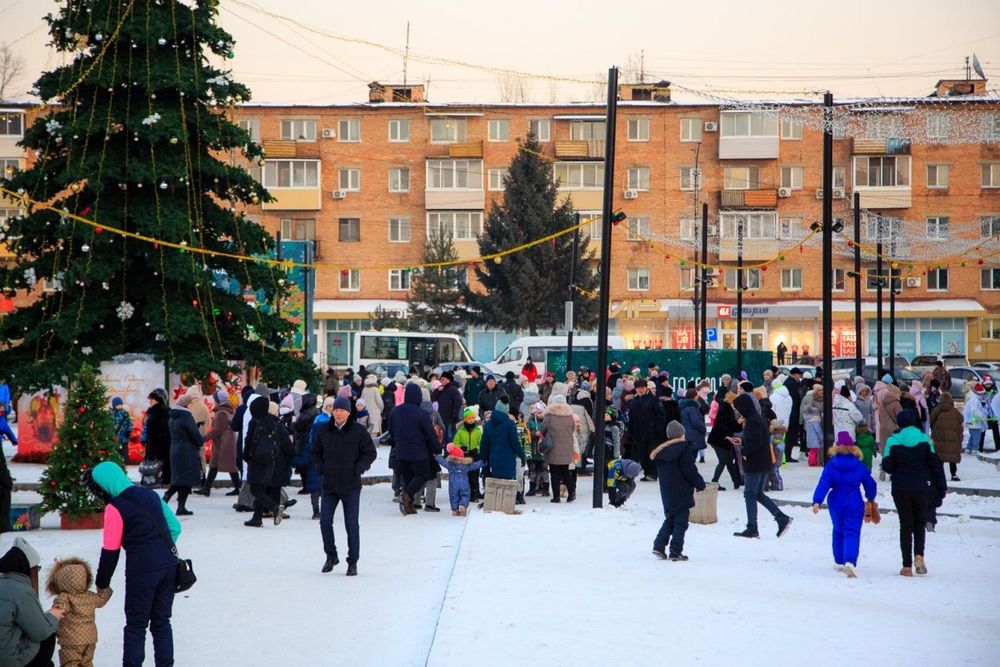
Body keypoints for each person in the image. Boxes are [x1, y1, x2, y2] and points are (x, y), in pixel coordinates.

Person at [89, 461, 180, 667]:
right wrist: (157, 549)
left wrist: (102, 582)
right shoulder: (150, 495)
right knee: (162, 623)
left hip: (142, 572)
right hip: (168, 566)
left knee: (136, 626)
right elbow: (175, 527)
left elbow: (110, 550)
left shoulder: (115, 507)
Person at [312, 395, 377, 575]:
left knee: (351, 525)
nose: (338, 413)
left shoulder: (358, 431)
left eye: (342, 410)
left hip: (351, 486)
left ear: (348, 412)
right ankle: (331, 556)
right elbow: (315, 452)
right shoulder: (324, 430)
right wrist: (321, 468)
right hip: (329, 485)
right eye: (336, 410)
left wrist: (359, 468)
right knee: (325, 522)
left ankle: (352, 561)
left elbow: (370, 452)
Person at [882, 409, 947, 576]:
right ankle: (919, 556)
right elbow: (935, 464)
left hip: (900, 487)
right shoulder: (925, 440)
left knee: (905, 525)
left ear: (899, 423)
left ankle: (906, 566)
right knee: (919, 523)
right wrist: (941, 487)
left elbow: (887, 467)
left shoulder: (892, 441)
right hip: (922, 486)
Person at [811, 432, 878, 578]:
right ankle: (850, 561)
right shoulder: (859, 465)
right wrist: (870, 497)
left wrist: (817, 501)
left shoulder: (831, 465)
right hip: (854, 500)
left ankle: (839, 560)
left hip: (836, 501)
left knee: (838, 530)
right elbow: (870, 483)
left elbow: (824, 483)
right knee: (852, 531)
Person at [732, 394, 793, 539]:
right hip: (763, 461)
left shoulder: (752, 421)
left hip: (755, 462)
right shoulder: (757, 419)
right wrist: (742, 442)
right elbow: (757, 440)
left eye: (738, 408)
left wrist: (744, 451)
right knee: (757, 493)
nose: (738, 411)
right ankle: (780, 518)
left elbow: (755, 443)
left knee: (750, 494)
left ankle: (752, 527)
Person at [0, 537, 61, 667]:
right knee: (47, 637)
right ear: (27, 569)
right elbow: (40, 631)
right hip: (7, 659)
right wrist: (54, 615)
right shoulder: (21, 591)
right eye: (36, 569)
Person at [651, 421, 706, 561]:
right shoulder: (683, 449)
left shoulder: (663, 452)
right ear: (682, 434)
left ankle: (658, 545)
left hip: (668, 492)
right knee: (681, 522)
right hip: (682, 491)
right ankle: (675, 550)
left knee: (671, 519)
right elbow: (689, 470)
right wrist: (700, 484)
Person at [45, 557, 112, 666]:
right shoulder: (89, 596)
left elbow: (58, 610)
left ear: (61, 581)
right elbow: (102, 598)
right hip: (90, 638)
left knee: (71, 663)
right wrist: (103, 587)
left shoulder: (64, 598)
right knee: (87, 663)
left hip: (71, 640)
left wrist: (44, 617)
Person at [390, 384, 440, 516]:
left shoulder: (395, 411)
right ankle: (406, 495)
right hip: (419, 452)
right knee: (422, 475)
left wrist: (398, 443)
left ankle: (409, 505)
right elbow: (430, 433)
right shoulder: (421, 413)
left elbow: (391, 432)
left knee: (407, 478)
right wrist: (437, 448)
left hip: (401, 452)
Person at [242, 398, 288, 527]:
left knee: (256, 490)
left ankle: (275, 508)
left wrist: (246, 456)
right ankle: (257, 518)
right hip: (270, 460)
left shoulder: (255, 421)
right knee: (261, 488)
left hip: (256, 460)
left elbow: (249, 440)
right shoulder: (273, 421)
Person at [195, 390, 240, 497]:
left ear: (218, 400)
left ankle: (208, 488)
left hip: (223, 444)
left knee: (223, 466)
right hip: (227, 442)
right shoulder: (228, 411)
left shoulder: (221, 413)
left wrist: (204, 438)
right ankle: (207, 488)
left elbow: (217, 430)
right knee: (220, 465)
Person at [163, 395, 202, 515]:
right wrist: (200, 440)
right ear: (186, 405)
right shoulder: (187, 416)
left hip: (175, 449)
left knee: (180, 477)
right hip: (187, 451)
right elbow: (194, 434)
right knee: (184, 478)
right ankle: (169, 500)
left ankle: (177, 505)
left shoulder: (172, 416)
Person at [540, 394, 577, 503]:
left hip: (553, 447)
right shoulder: (570, 416)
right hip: (567, 446)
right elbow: (573, 429)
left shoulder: (549, 416)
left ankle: (556, 497)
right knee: (566, 472)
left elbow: (543, 430)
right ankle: (572, 493)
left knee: (554, 472)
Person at [628, 380, 666, 481]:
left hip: (652, 433)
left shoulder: (653, 400)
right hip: (638, 433)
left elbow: (661, 415)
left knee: (651, 453)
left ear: (646, 388)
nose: (640, 390)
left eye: (642, 387)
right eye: (638, 388)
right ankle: (647, 472)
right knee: (642, 455)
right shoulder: (634, 401)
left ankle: (653, 473)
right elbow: (631, 418)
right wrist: (630, 432)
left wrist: (657, 429)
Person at [480, 398, 525, 482]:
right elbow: (515, 442)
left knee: (496, 484)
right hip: (508, 459)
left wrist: (483, 458)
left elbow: (484, 443)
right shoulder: (510, 424)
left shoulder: (488, 424)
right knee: (507, 485)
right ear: (506, 409)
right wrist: (522, 455)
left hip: (493, 459)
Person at [436, 444, 487, 516]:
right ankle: (462, 505)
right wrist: (484, 462)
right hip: (464, 482)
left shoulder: (450, 465)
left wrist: (436, 456)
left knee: (453, 496)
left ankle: (455, 510)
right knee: (465, 495)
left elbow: (442, 461)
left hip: (453, 483)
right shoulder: (466, 465)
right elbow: (475, 465)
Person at [708, 392, 741, 490]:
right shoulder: (726, 409)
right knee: (723, 461)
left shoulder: (726, 408)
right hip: (719, 440)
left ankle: (736, 482)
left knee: (729, 461)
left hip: (720, 439)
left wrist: (736, 424)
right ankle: (714, 482)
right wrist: (738, 423)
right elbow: (726, 426)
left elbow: (728, 426)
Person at [930, 393, 963, 483]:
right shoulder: (954, 411)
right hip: (952, 438)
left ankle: (939, 475)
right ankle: (954, 474)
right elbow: (961, 419)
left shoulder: (937, 410)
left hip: (939, 436)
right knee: (952, 457)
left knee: (939, 457)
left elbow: (932, 421)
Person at [142, 389, 172, 486]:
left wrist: (153, 448)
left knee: (159, 465)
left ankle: (158, 480)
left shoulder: (160, 412)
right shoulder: (154, 412)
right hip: (156, 446)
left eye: (152, 398)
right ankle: (156, 479)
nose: (150, 400)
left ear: (159, 399)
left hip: (159, 446)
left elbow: (161, 432)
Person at [431, 371, 463, 444]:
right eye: (441, 379)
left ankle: (449, 451)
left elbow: (458, 402)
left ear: (449, 380)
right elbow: (432, 398)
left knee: (450, 437)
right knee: (444, 437)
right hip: (442, 417)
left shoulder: (453, 390)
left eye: (443, 379)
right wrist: (437, 390)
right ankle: (445, 452)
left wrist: (454, 414)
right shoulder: (441, 389)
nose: (441, 381)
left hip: (450, 418)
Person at [963, 385, 987, 454]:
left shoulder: (972, 399)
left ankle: (968, 448)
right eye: (982, 394)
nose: (983, 395)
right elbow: (975, 411)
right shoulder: (975, 400)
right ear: (979, 393)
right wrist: (982, 416)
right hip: (974, 422)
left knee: (973, 436)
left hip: (972, 421)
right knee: (977, 437)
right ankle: (974, 450)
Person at [111, 397, 132, 463]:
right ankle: (117, 462)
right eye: (118, 405)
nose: (119, 406)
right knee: (116, 450)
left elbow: (129, 422)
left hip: (124, 435)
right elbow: (110, 423)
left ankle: (125, 461)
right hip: (116, 437)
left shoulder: (125, 413)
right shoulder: (112, 414)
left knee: (124, 450)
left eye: (120, 404)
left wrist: (129, 430)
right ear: (114, 405)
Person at [0, 375, 17, 449]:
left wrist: (6, 403)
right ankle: (3, 435)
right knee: (2, 421)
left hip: (3, 402)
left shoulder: (4, 385)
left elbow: (7, 394)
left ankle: (3, 434)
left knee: (3, 418)